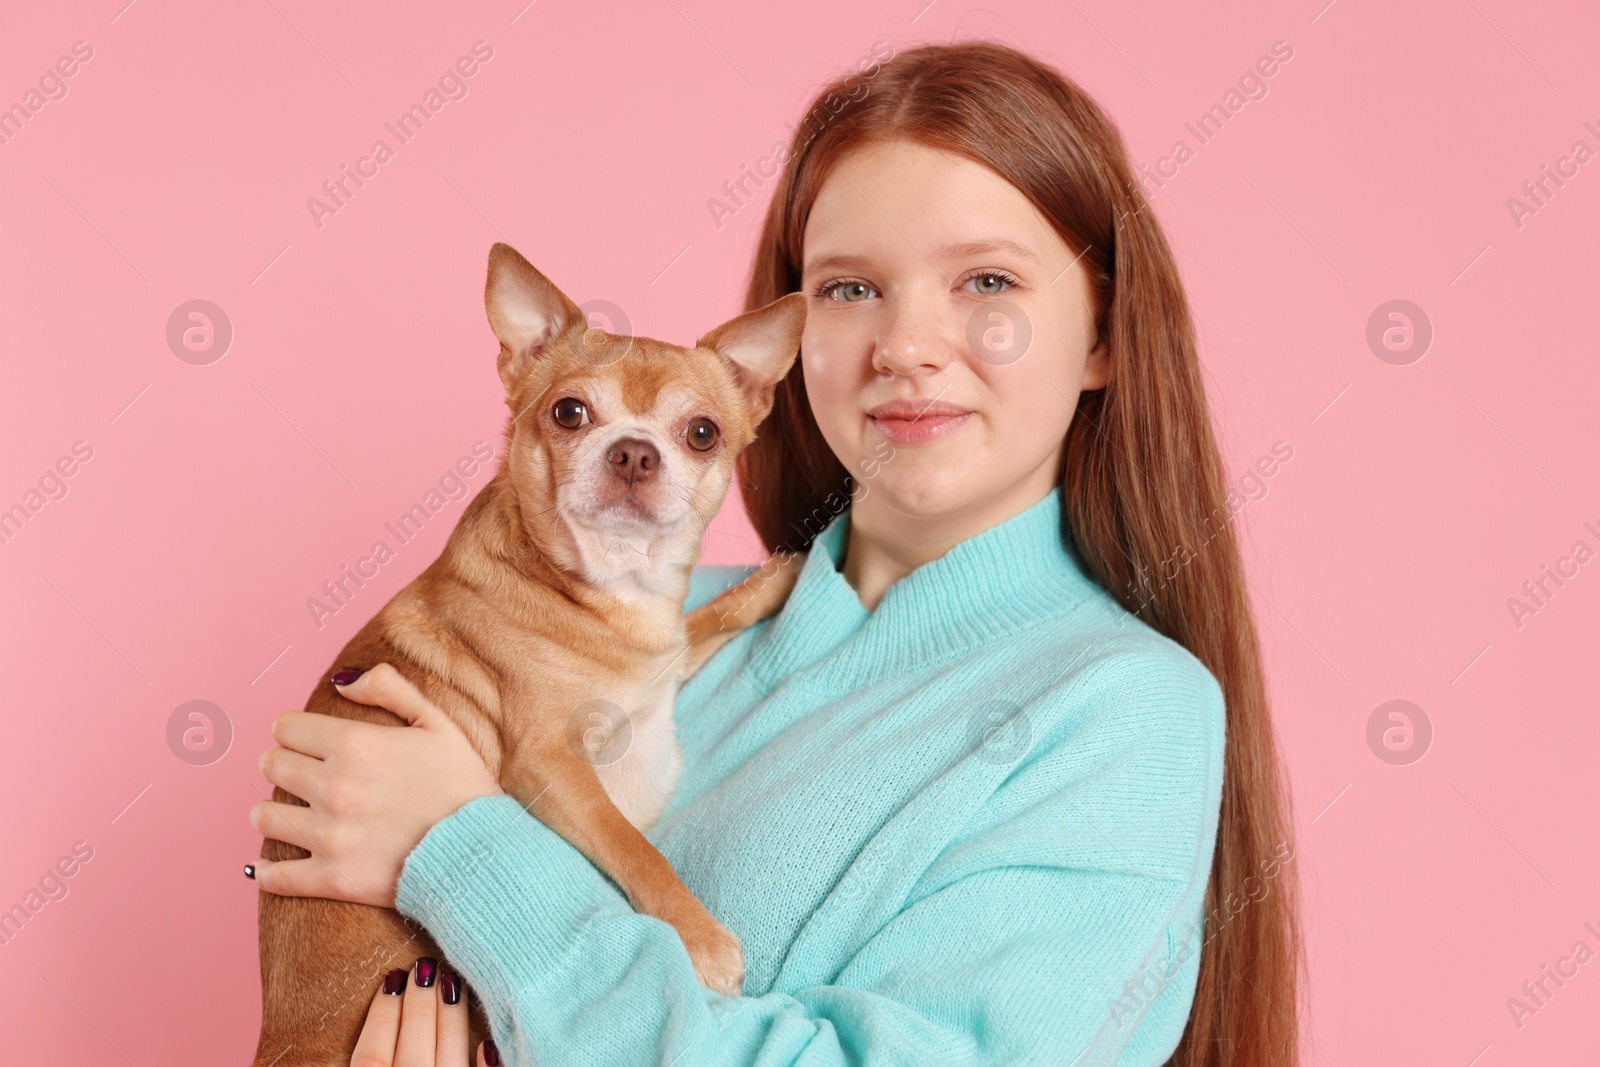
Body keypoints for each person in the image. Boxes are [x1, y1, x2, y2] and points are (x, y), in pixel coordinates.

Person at [247, 40, 1301, 1067]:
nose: (906, 345)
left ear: (1104, 335)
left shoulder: (1123, 711)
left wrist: (460, 847)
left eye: (985, 282)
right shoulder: (632, 620)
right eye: (849, 288)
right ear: (789, 338)